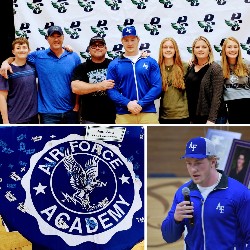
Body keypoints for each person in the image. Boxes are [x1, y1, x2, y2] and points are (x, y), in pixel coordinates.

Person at [161, 136, 250, 249]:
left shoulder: (239, 194)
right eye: (189, 163)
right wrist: (176, 219)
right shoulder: (183, 193)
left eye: (198, 163)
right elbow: (168, 237)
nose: (193, 169)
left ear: (212, 162)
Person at [1, 26, 81, 124]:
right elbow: (20, 56)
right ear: (47, 38)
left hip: (70, 112)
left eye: (58, 36)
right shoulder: (38, 56)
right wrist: (5, 62)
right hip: (48, 114)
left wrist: (77, 105)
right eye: (52, 36)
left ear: (63, 37)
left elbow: (78, 82)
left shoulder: (74, 57)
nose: (56, 39)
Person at [106, 26, 162, 124]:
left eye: (132, 39)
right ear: (122, 41)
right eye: (126, 40)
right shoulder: (114, 64)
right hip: (124, 113)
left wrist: (141, 104)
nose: (130, 43)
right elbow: (111, 90)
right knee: (126, 140)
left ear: (138, 40)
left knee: (152, 139)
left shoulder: (150, 61)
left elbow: (157, 87)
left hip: (148, 112)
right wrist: (127, 103)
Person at [71, 36, 116, 124]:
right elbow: (75, 88)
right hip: (90, 118)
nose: (97, 48)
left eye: (100, 45)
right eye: (94, 46)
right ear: (89, 49)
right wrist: (99, 86)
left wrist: (141, 57)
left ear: (106, 48)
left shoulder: (114, 65)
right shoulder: (82, 67)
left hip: (115, 117)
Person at [185, 36, 225, 124]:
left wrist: (211, 119)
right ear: (193, 50)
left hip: (213, 118)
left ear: (209, 50)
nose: (200, 49)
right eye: (197, 47)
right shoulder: (190, 67)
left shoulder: (215, 68)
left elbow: (217, 96)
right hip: (195, 116)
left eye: (204, 47)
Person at [0, 37, 38, 124]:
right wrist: (5, 121)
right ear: (13, 52)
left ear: (29, 50)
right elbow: (2, 97)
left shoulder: (32, 67)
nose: (22, 50)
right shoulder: (6, 70)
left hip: (33, 118)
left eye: (24, 47)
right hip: (16, 119)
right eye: (18, 48)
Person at [158, 37, 189, 124]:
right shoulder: (157, 68)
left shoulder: (185, 66)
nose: (168, 50)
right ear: (161, 50)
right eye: (165, 47)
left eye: (171, 47)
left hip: (183, 115)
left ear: (175, 50)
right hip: (164, 116)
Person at [221, 37, 250, 124]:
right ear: (224, 49)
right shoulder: (218, 65)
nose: (232, 49)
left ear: (239, 49)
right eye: (229, 47)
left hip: (247, 102)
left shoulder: (247, 64)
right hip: (231, 105)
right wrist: (192, 61)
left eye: (235, 47)